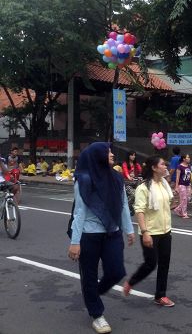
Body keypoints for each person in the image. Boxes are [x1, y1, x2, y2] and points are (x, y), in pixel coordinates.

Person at [67, 142, 135, 334]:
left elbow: (122, 206)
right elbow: (79, 212)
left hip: (112, 233)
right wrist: (75, 242)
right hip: (89, 235)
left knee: (116, 271)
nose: (112, 154)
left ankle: (92, 294)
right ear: (97, 155)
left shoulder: (116, 178)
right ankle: (97, 314)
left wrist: (129, 230)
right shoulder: (84, 179)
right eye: (108, 151)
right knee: (89, 275)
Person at [123, 155, 175, 308]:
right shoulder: (143, 188)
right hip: (150, 232)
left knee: (164, 264)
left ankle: (160, 295)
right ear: (154, 168)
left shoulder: (164, 184)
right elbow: (139, 210)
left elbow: (164, 205)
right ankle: (131, 282)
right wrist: (144, 232)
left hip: (166, 231)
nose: (165, 166)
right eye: (162, 164)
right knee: (151, 263)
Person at [173, 154, 192, 219]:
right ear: (184, 159)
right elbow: (177, 177)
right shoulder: (179, 166)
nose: (189, 158)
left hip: (188, 184)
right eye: (188, 157)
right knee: (184, 199)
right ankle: (184, 213)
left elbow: (190, 176)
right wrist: (176, 186)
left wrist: (191, 183)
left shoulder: (189, 166)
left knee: (188, 198)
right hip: (182, 184)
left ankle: (178, 209)